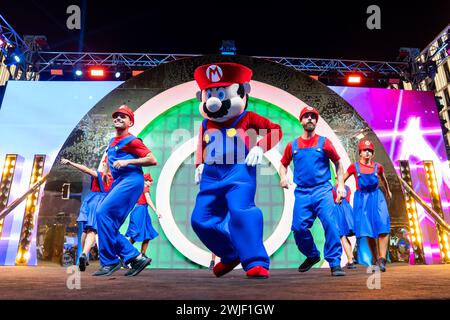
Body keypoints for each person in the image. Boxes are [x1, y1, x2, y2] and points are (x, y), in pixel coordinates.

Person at [191, 62, 283, 279]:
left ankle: (255, 260)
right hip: (211, 176)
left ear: (243, 93)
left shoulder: (248, 118)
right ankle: (230, 253)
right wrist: (199, 165)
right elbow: (201, 145)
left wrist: (260, 146)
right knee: (200, 219)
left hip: (239, 171)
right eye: (210, 94)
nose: (214, 101)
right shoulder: (206, 124)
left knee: (241, 212)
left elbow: (275, 131)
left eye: (221, 93)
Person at [279, 106, 346, 276]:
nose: (310, 118)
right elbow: (283, 165)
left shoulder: (324, 142)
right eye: (306, 116)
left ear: (316, 121)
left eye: (313, 117)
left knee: (331, 224)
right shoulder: (292, 145)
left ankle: (335, 262)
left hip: (322, 190)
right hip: (302, 193)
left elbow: (338, 163)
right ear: (301, 120)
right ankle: (312, 255)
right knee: (299, 228)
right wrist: (283, 177)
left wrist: (341, 185)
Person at [94, 105, 157, 277]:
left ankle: (111, 262)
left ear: (130, 122)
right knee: (106, 221)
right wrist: (106, 171)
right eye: (116, 116)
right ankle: (135, 258)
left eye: (124, 116)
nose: (119, 118)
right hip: (120, 182)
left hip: (131, 181)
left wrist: (127, 162)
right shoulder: (111, 142)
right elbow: (110, 160)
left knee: (101, 212)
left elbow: (152, 160)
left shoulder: (133, 140)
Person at [344, 139, 392, 272]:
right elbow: (343, 177)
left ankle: (382, 259)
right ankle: (376, 259)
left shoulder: (378, 166)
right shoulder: (354, 167)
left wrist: (388, 191)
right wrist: (340, 188)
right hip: (362, 200)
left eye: (370, 150)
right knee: (368, 231)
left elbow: (383, 179)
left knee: (383, 225)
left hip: (377, 197)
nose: (367, 153)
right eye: (365, 150)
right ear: (360, 152)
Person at [60, 157, 113, 271]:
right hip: (102, 203)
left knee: (86, 230)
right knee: (93, 230)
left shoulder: (99, 174)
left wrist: (71, 162)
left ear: (105, 165)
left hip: (91, 201)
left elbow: (85, 169)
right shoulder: (115, 179)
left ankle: (84, 255)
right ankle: (84, 254)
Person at [126, 173, 161, 259]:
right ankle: (124, 253)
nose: (151, 182)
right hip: (140, 212)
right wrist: (156, 211)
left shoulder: (140, 188)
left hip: (143, 212)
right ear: (145, 181)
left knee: (147, 234)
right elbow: (148, 200)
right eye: (149, 181)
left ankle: (142, 255)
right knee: (135, 235)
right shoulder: (145, 188)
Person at [331, 184, 356, 269]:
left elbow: (337, 201)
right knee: (344, 236)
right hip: (347, 210)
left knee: (343, 236)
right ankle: (351, 257)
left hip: (339, 210)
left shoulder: (334, 188)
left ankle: (350, 260)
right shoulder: (347, 188)